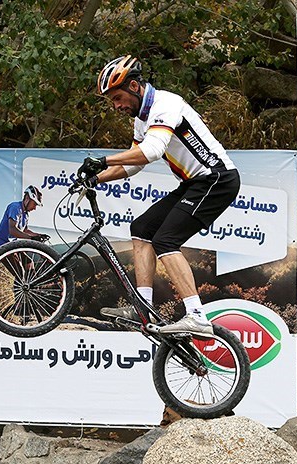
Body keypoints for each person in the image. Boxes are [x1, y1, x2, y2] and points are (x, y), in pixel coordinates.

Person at [77, 55, 241, 337]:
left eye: (117, 97)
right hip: (194, 183)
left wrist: (102, 160)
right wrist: (95, 178)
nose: (116, 106)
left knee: (166, 240)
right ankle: (142, 307)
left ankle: (196, 316)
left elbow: (151, 152)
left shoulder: (166, 104)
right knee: (141, 229)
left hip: (217, 179)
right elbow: (134, 164)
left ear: (134, 86)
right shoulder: (141, 119)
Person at [0, 185, 49, 250]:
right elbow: (12, 230)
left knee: (28, 260)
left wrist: (38, 235)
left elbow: (25, 231)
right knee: (18, 260)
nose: (35, 208)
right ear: (27, 198)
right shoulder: (15, 207)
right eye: (34, 204)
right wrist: (31, 238)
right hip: (0, 244)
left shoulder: (26, 214)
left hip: (11, 244)